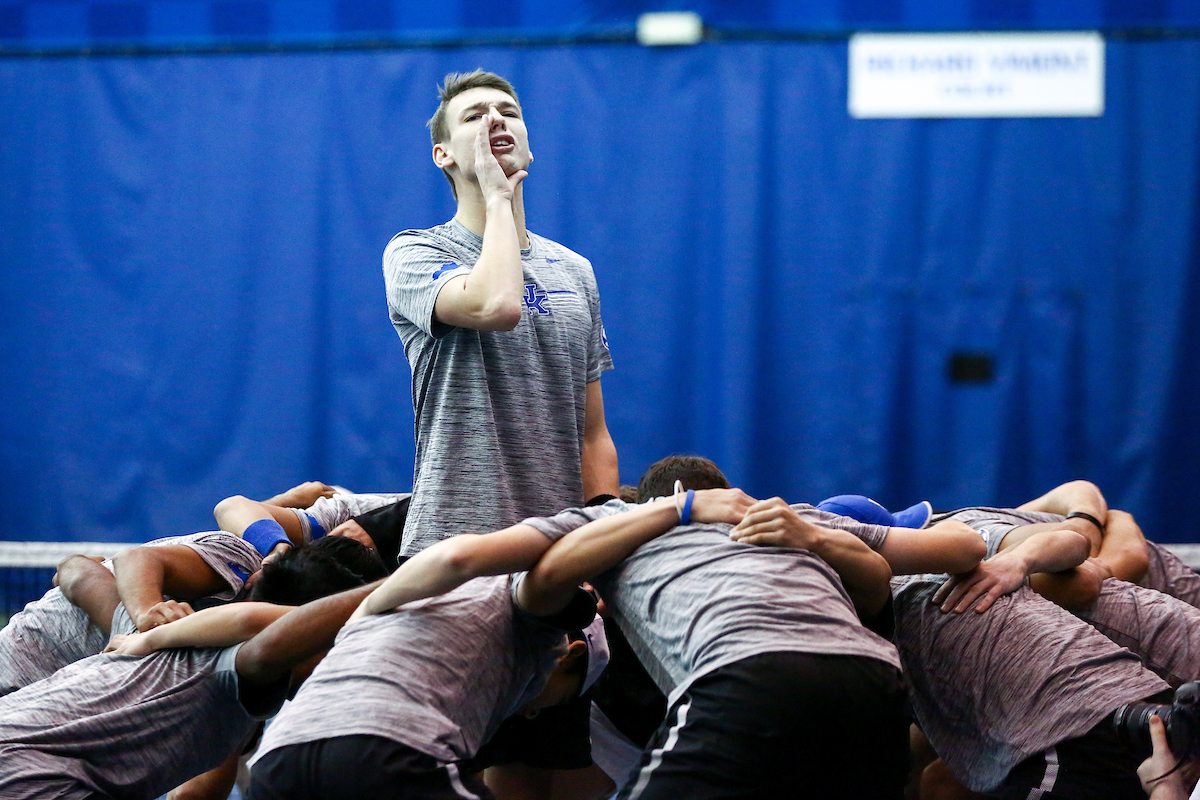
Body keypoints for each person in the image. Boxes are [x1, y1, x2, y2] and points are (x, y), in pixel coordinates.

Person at [246, 487, 755, 800]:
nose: (529, 713)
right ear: (568, 654)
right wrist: (678, 508)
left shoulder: (386, 604)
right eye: (549, 703)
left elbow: (449, 561)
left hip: (280, 757)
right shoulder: (529, 614)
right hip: (386, 749)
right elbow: (525, 566)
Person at [383, 69, 618, 555]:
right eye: (474, 116)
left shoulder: (575, 270)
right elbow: (498, 305)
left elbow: (593, 435)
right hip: (452, 542)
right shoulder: (415, 253)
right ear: (443, 155)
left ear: (529, 150)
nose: (495, 119)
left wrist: (601, 537)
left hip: (555, 549)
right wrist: (497, 198)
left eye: (508, 112)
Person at [0, 540, 387, 800]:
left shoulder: (145, 629)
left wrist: (145, 622)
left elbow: (80, 573)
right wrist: (394, 591)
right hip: (32, 774)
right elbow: (257, 625)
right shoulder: (243, 667)